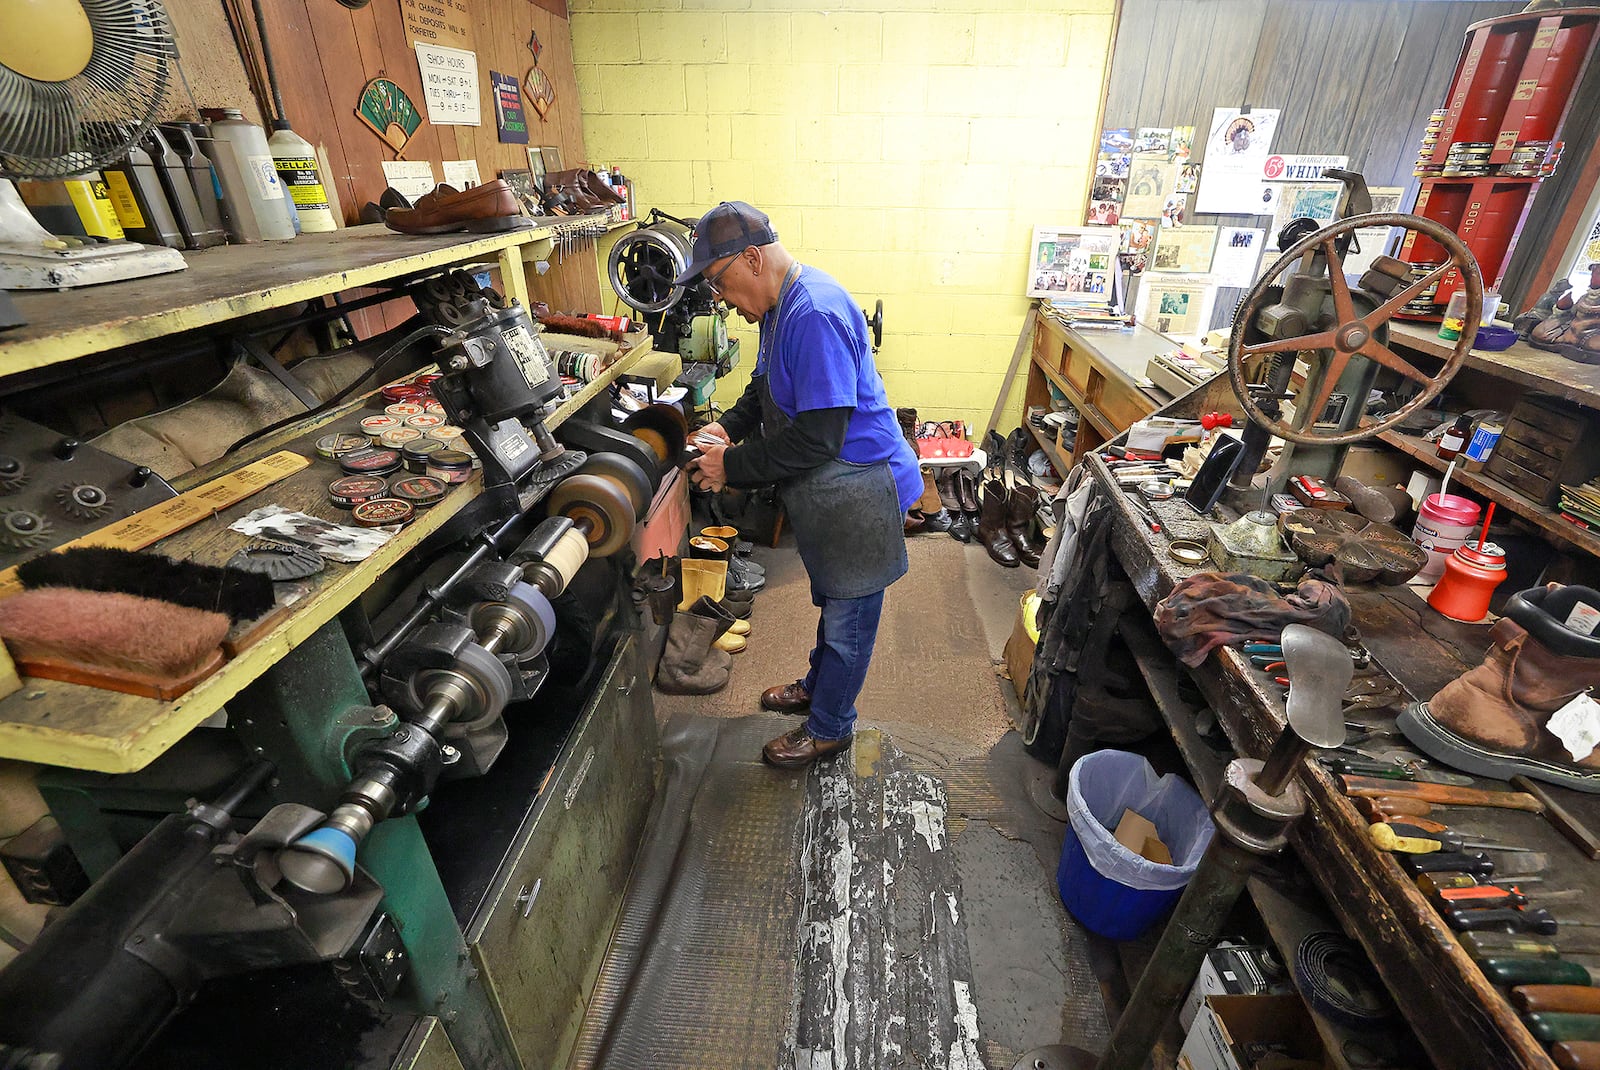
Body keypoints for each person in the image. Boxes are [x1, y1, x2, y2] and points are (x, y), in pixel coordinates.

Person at [676, 201, 922, 768]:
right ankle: (820, 686)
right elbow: (764, 387)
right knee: (834, 599)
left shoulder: (812, 313)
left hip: (861, 483)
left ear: (753, 258)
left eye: (719, 281)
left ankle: (831, 726)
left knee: (850, 615)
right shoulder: (777, 309)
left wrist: (730, 466)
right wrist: (730, 425)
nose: (720, 300)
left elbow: (818, 439)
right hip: (829, 487)